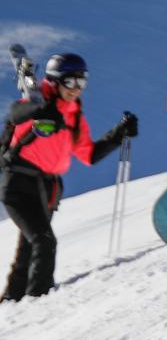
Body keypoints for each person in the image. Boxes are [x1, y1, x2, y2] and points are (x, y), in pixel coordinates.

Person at [1, 54, 137, 301]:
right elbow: (17, 113)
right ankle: (39, 301)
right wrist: (40, 109)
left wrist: (119, 134)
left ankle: (13, 300)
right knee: (44, 241)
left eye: (82, 82)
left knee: (29, 247)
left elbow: (88, 155)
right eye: (70, 82)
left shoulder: (73, 115)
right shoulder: (35, 100)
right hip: (19, 184)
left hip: (48, 188)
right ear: (54, 82)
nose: (76, 89)